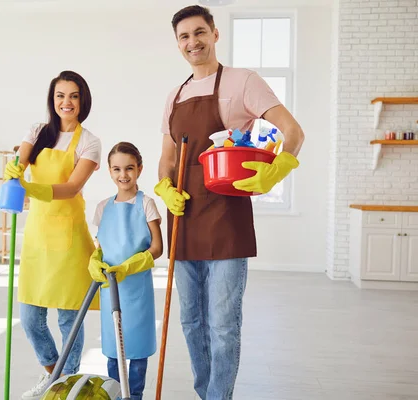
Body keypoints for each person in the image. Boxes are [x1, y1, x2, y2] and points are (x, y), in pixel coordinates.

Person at [155, 5, 305, 400]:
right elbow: (167, 159)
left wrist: (279, 167)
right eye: (184, 36)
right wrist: (163, 187)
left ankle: (219, 397)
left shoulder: (243, 81)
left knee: (223, 323)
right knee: (190, 322)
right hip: (184, 218)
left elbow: (292, 131)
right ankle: (205, 393)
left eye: (200, 32)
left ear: (215, 34)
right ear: (177, 43)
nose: (193, 42)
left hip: (227, 215)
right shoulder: (175, 95)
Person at [4, 70, 102, 400]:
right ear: (52, 99)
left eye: (73, 96)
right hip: (38, 235)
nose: (66, 102)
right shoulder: (37, 130)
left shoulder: (90, 142)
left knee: (68, 319)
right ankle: (55, 377)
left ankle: (66, 384)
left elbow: (73, 186)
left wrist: (31, 186)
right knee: (31, 318)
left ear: (82, 100)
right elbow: (22, 158)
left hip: (69, 236)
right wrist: (14, 168)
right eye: (60, 95)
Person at [88, 142, 163, 400]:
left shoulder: (147, 204)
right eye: (117, 169)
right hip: (110, 287)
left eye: (129, 168)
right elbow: (100, 246)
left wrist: (130, 266)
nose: (123, 175)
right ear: (109, 171)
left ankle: (135, 396)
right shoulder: (103, 207)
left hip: (137, 288)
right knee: (112, 348)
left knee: (138, 349)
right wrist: (95, 260)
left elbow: (157, 247)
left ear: (139, 169)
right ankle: (115, 395)